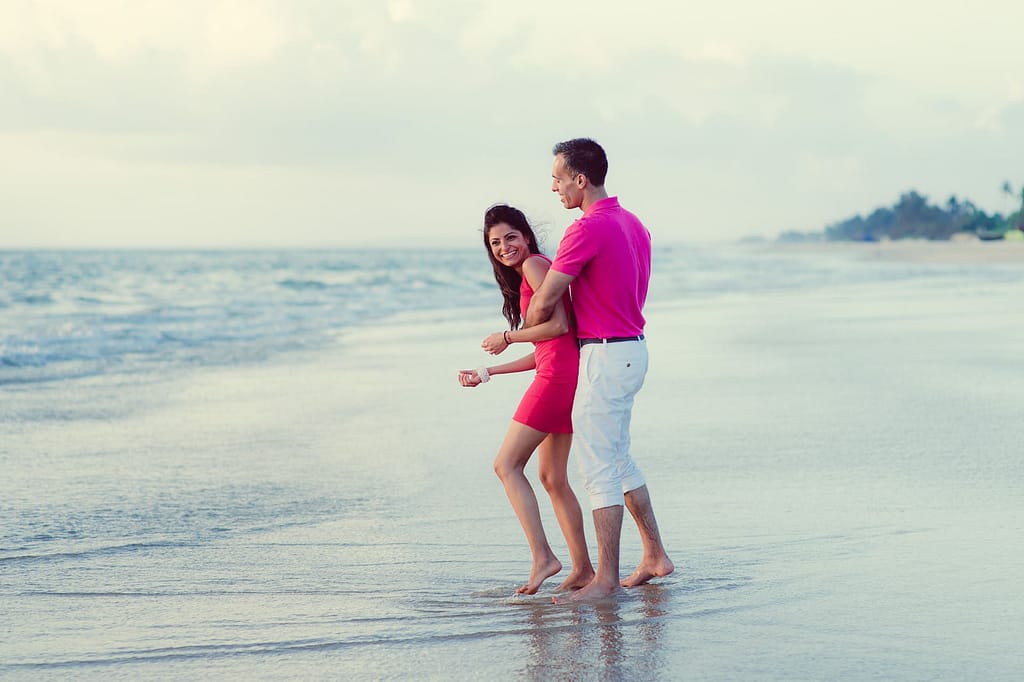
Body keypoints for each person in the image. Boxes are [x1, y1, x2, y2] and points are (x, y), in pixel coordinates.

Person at [524, 138, 675, 602]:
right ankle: (654, 555)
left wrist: (522, 325)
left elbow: (546, 300)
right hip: (632, 349)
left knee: (597, 470)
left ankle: (605, 579)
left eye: (557, 177)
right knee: (619, 459)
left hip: (606, 355)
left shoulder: (585, 229)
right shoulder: (634, 223)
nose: (553, 187)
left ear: (580, 179)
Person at [458, 204, 595, 595]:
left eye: (510, 237)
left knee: (506, 465)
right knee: (552, 478)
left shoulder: (535, 266)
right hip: (559, 373)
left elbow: (559, 326)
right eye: (495, 243)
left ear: (527, 236)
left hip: (556, 380)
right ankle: (583, 570)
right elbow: (550, 346)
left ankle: (543, 558)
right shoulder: (527, 272)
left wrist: (505, 337)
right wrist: (489, 372)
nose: (504, 247)